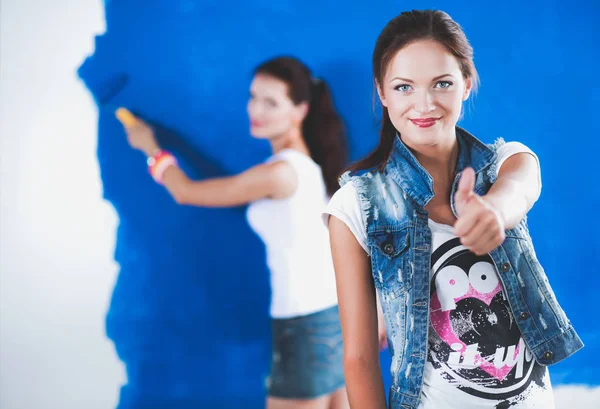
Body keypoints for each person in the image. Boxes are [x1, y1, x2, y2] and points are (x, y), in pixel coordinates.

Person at [324, 10, 583, 409]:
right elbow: (359, 359)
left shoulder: (505, 163)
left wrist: (494, 212)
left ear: (466, 83)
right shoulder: (356, 204)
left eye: (442, 83)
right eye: (404, 87)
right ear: (382, 93)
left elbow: (519, 188)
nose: (424, 104)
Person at [116, 56, 350, 409]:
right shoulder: (309, 166)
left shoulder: (280, 173)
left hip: (303, 326)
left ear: (299, 111)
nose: (255, 109)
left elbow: (185, 192)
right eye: (253, 96)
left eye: (271, 102)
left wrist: (149, 147)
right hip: (332, 316)